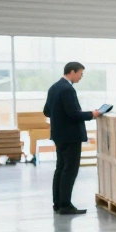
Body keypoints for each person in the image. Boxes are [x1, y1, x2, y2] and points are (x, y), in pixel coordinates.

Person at [43, 61, 100, 215]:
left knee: (60, 169)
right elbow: (73, 114)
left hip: (59, 135)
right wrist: (92, 114)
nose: (81, 77)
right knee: (70, 170)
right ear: (72, 72)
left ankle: (58, 203)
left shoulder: (54, 87)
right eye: (81, 73)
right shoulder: (68, 89)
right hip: (71, 136)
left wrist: (59, 116)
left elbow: (47, 111)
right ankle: (66, 205)